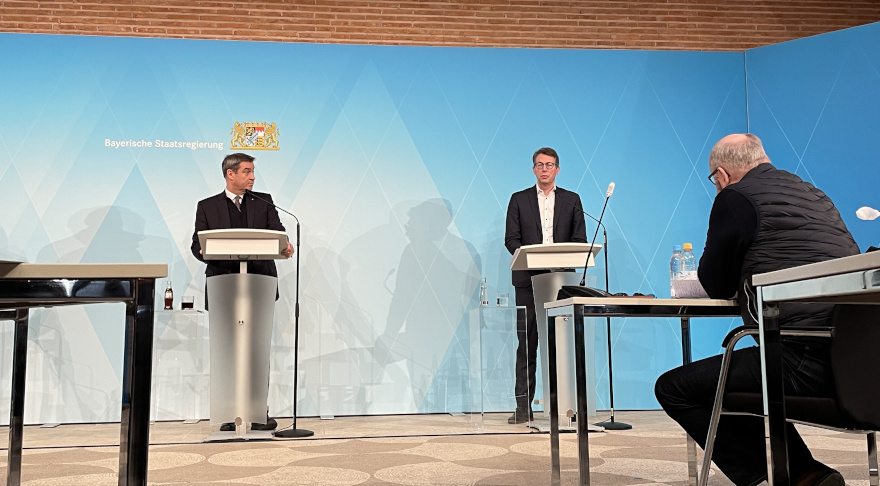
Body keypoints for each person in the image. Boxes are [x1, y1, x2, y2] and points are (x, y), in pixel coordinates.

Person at [655, 134, 859, 486]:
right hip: (857, 359)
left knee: (675, 387)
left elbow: (714, 283)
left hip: (800, 357)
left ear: (721, 175)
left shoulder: (735, 197)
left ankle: (793, 475)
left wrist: (723, 203)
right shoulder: (813, 193)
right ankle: (806, 473)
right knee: (744, 373)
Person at [191, 152, 294, 432]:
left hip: (259, 284)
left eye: (252, 171)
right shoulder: (207, 206)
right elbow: (196, 245)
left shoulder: (264, 202)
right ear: (230, 174)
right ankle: (229, 413)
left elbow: (278, 234)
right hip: (224, 285)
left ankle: (258, 412)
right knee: (228, 351)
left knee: (256, 351)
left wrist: (285, 247)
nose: (252, 176)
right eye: (247, 171)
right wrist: (204, 251)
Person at [504, 147, 587, 424]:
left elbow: (580, 239)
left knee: (563, 345)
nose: (544, 169)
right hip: (529, 281)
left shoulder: (572, 200)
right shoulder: (519, 199)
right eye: (539, 165)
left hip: (562, 281)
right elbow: (511, 240)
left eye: (549, 165)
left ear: (557, 169)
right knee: (526, 344)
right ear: (533, 169)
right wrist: (532, 259)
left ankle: (566, 408)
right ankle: (523, 409)